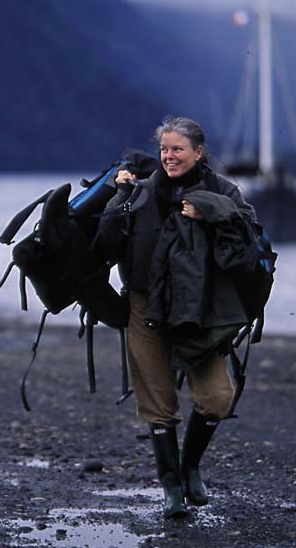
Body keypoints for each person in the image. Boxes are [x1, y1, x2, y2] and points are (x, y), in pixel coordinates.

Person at [95, 116, 257, 518]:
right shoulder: (141, 191)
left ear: (199, 153)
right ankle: (171, 488)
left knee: (217, 397)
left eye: (177, 149)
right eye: (164, 149)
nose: (168, 156)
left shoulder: (224, 190)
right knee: (157, 401)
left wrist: (212, 213)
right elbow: (106, 244)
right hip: (145, 307)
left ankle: (190, 467)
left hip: (202, 311)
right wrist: (118, 198)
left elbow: (250, 242)